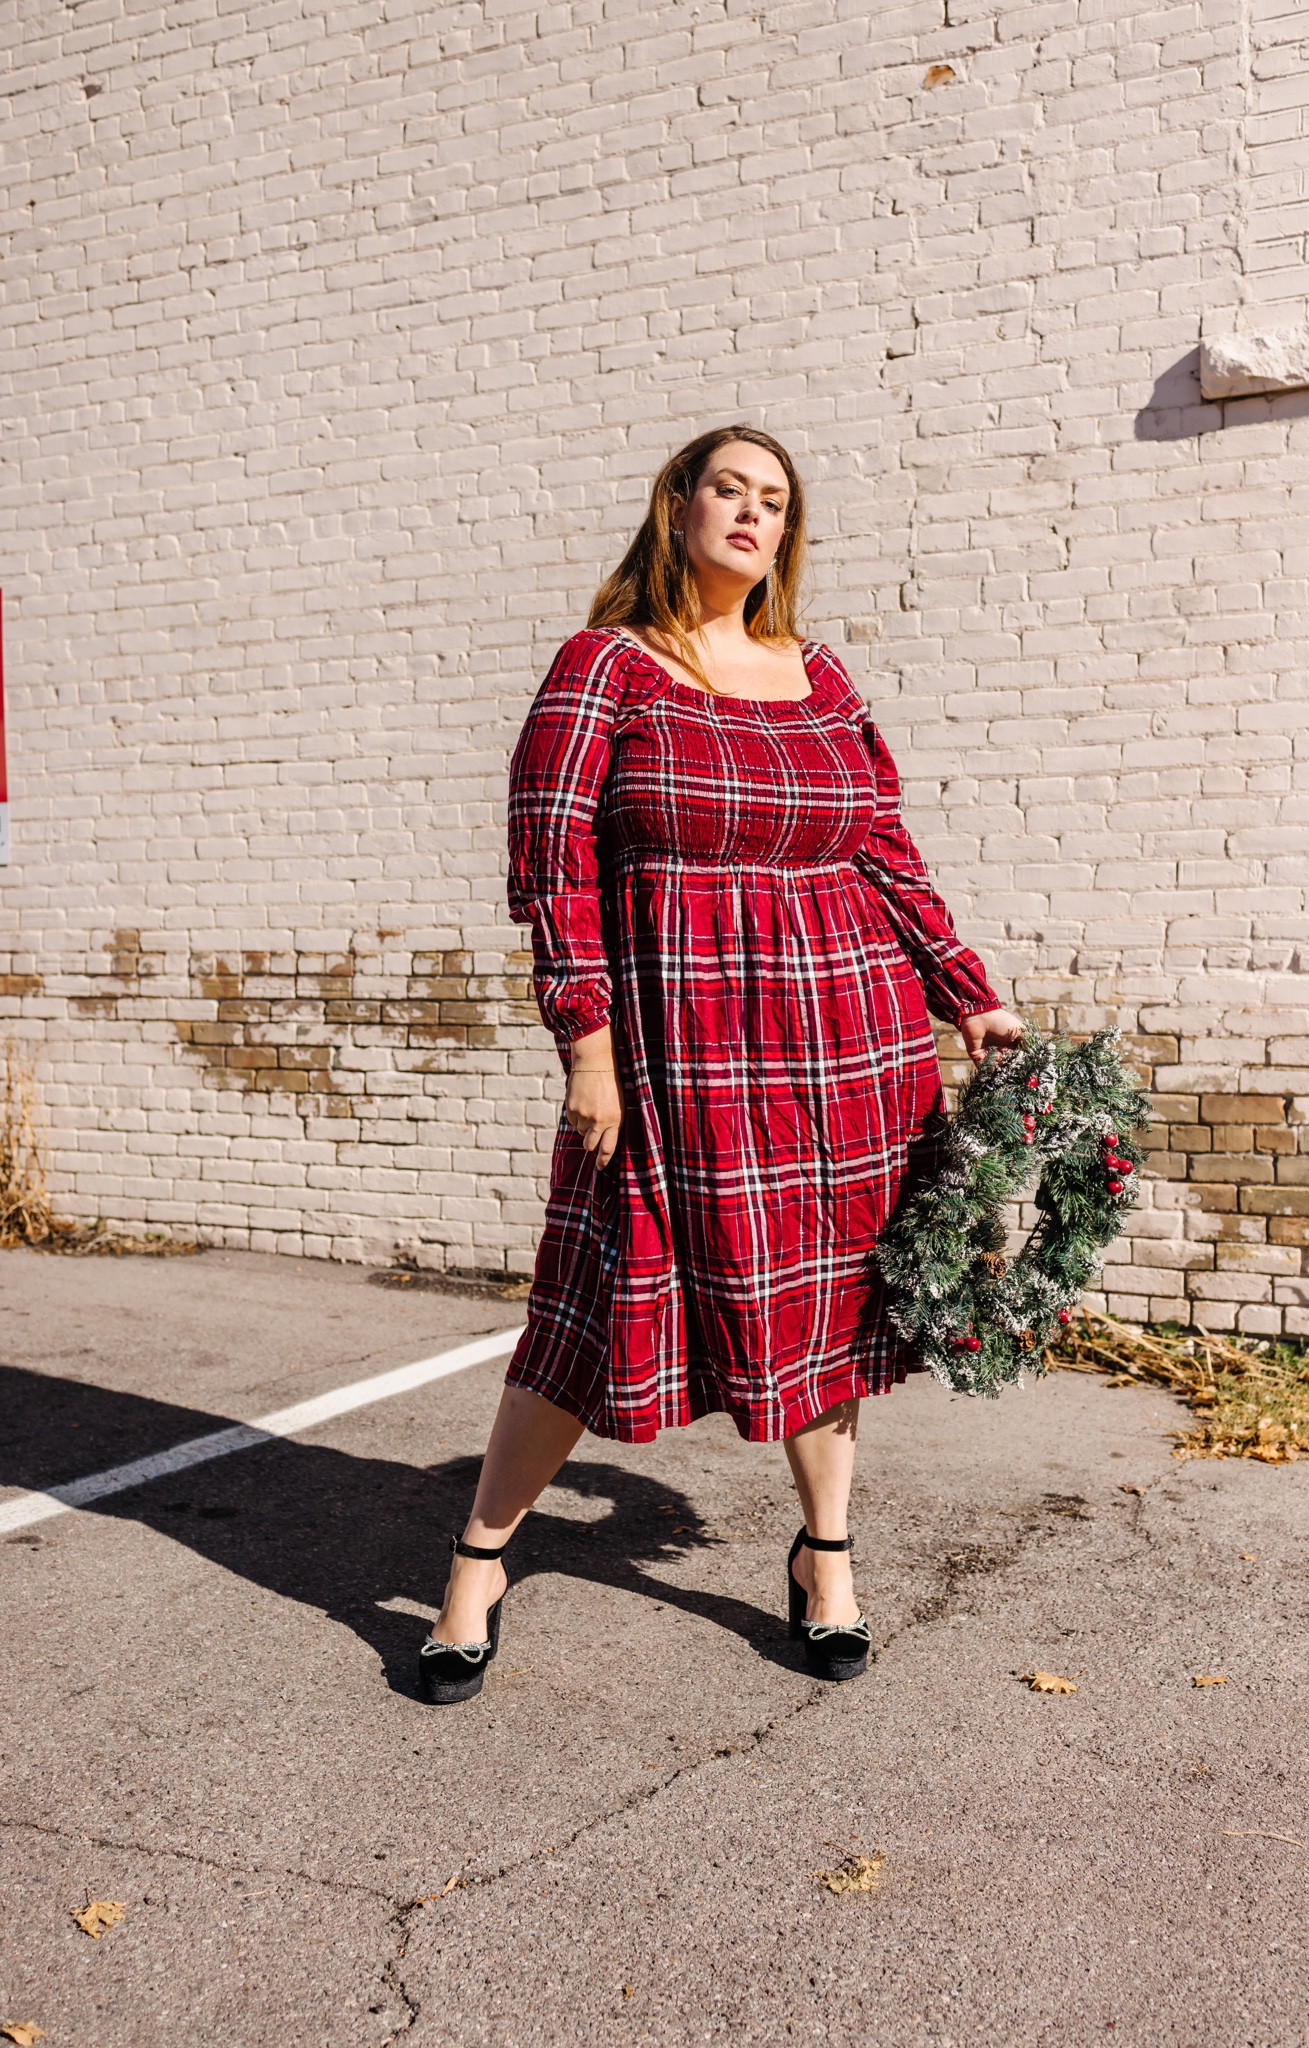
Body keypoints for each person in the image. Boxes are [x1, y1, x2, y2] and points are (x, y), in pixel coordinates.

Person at [418, 424, 1024, 1704]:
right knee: (594, 1296)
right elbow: (551, 865)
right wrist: (586, 1044)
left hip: (845, 1038)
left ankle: (826, 1556)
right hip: (674, 1045)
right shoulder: (607, 665)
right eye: (729, 489)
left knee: (829, 1300)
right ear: (678, 506)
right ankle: (477, 1560)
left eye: (774, 500)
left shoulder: (820, 674)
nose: (752, 512)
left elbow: (882, 848)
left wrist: (965, 991)